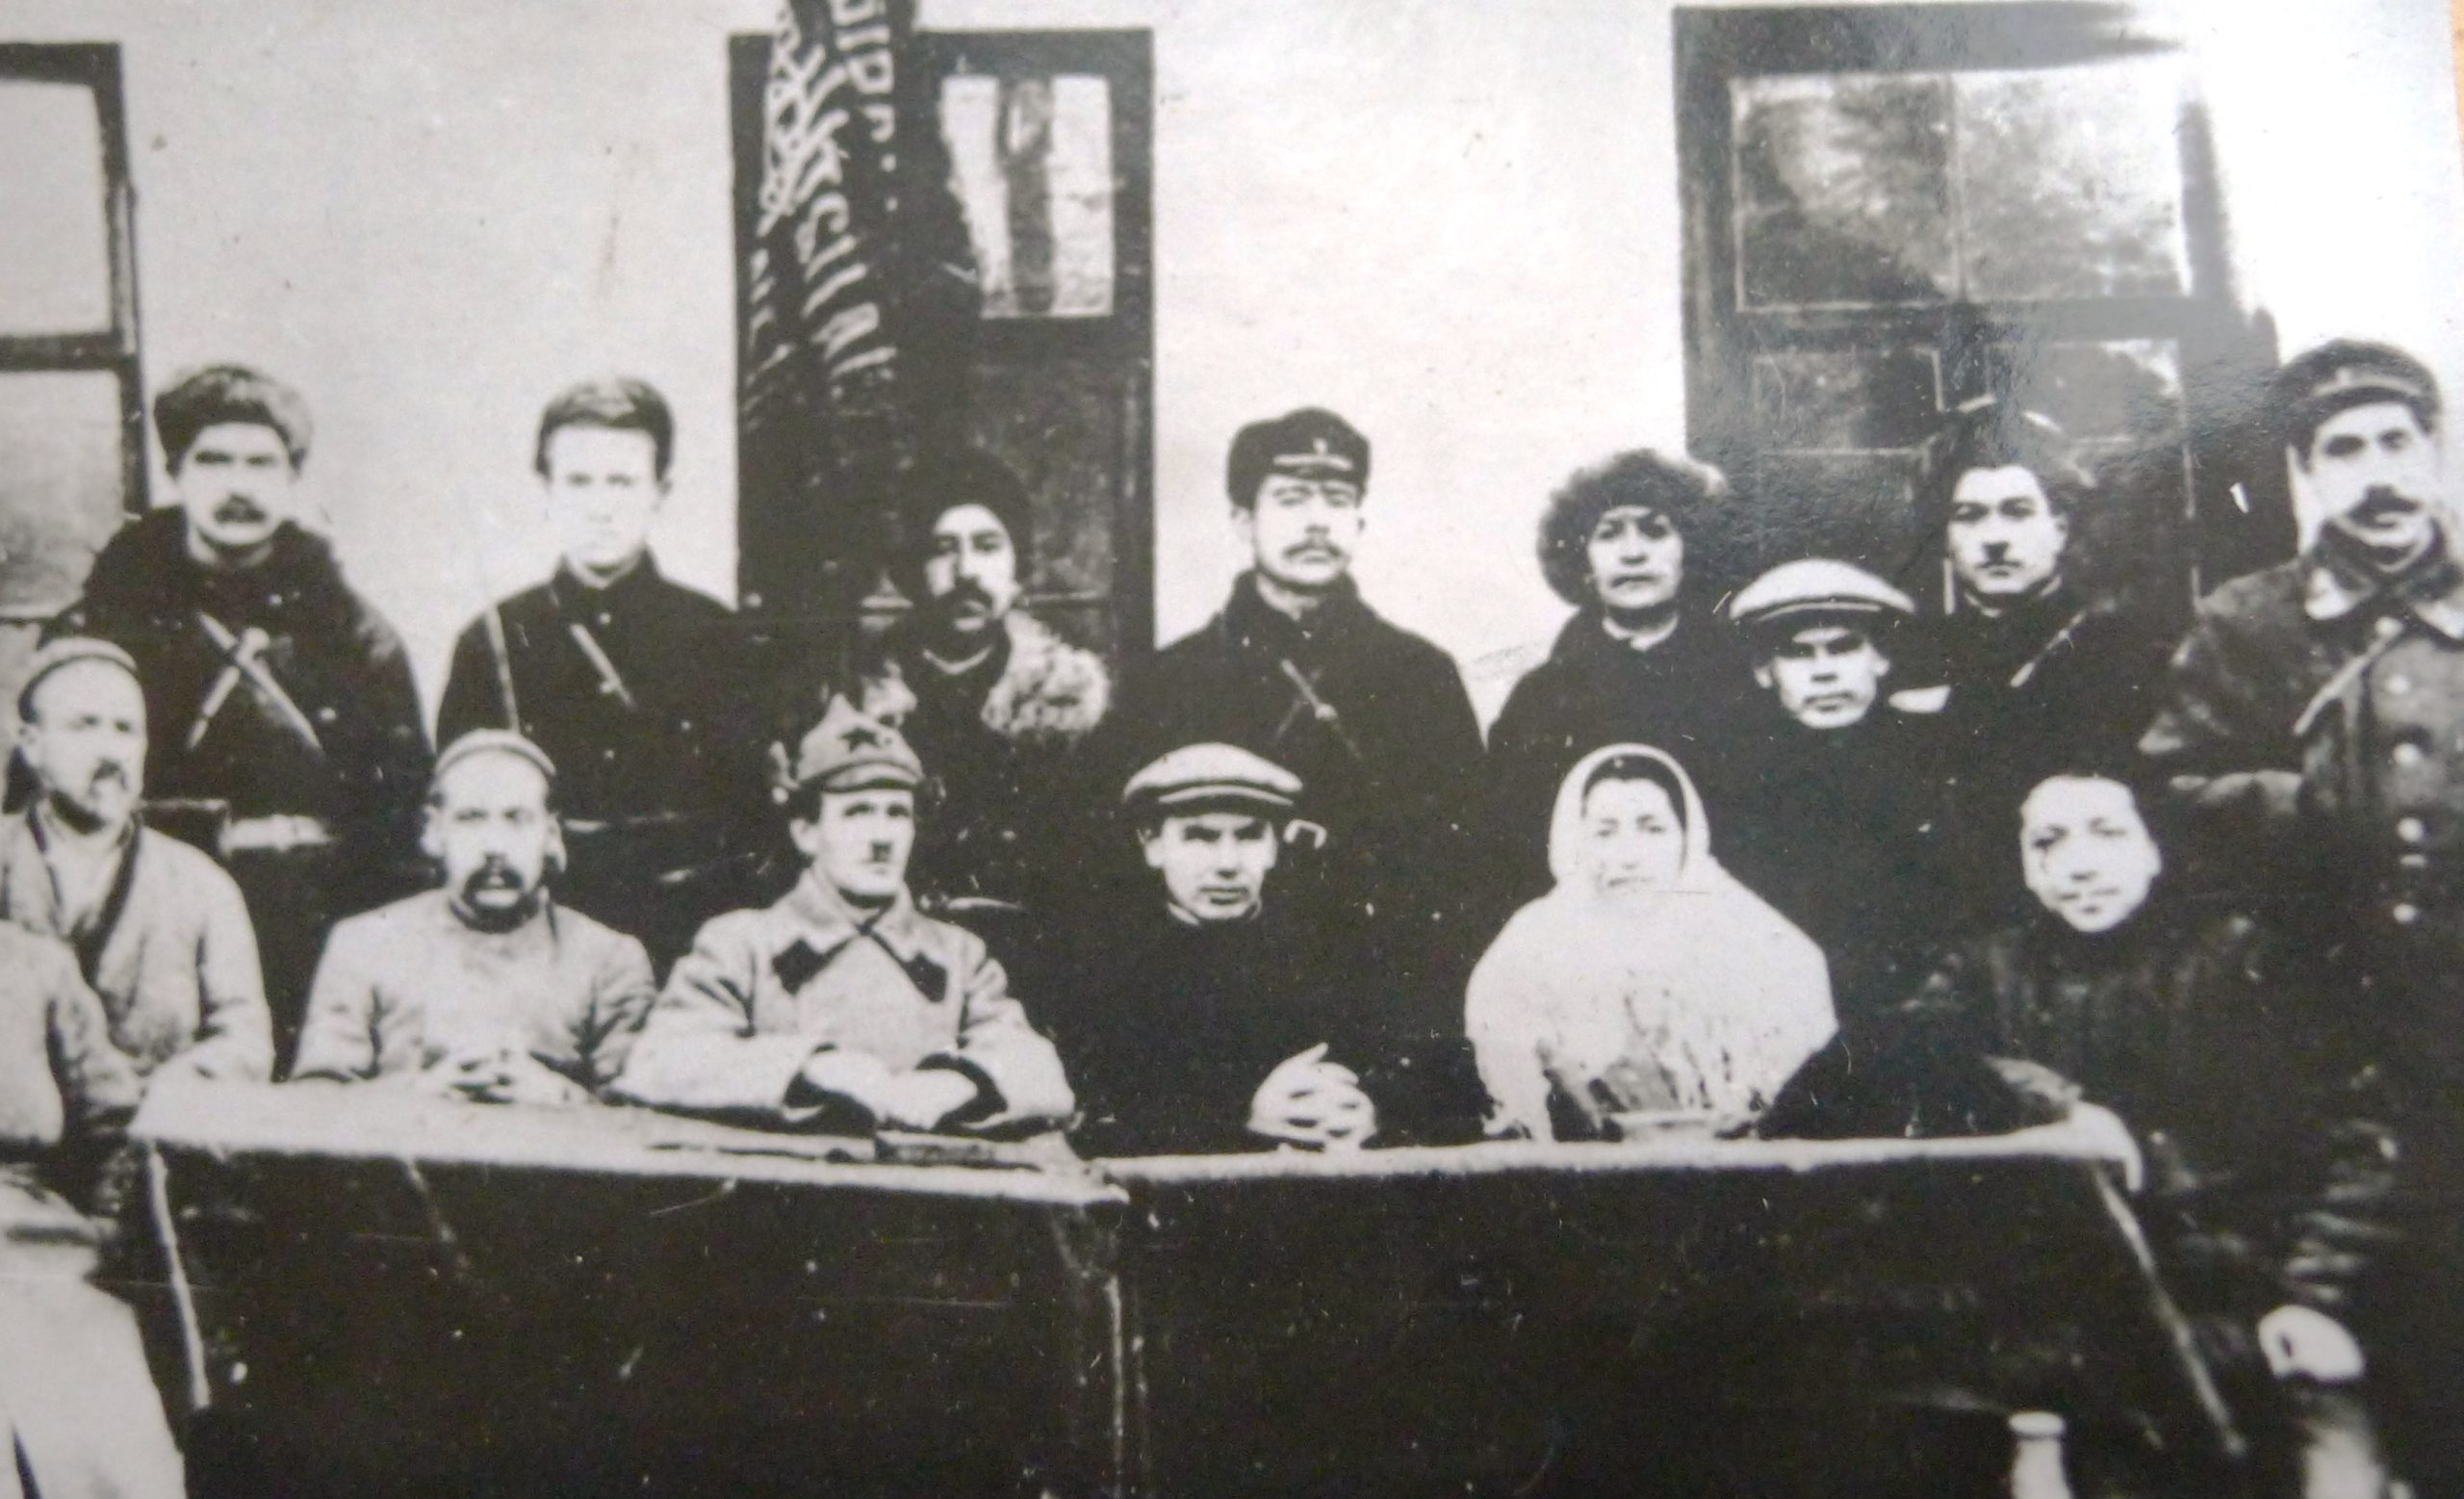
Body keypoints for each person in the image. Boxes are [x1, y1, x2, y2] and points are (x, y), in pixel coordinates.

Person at [2139, 338, 2464, 1496]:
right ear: (2307, 473)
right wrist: (2309, 809)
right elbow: (2170, 794)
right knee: (2324, 1360)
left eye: (2395, 443)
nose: (2376, 474)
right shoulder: (2249, 622)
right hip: (2320, 1039)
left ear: (2434, 454)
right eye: (2344, 450)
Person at [1893, 773, 2392, 1497]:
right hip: (2050, 1326)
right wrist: (2053, 1106)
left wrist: (2312, 1297)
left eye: (2108, 833)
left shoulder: (2247, 960)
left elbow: (2361, 1140)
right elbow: (1907, 1058)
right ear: (2028, 869)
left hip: (2236, 1309)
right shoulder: (1988, 970)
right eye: (2049, 843)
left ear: (2154, 850)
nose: (2080, 865)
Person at [57, 364, 431, 1065]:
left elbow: (402, 814)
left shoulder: (354, 636)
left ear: (292, 478)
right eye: (214, 461)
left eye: (262, 463)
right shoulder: (104, 622)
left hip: (313, 923)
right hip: (149, 921)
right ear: (176, 472)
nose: (239, 485)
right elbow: (45, 802)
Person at [1098, 408, 1483, 995]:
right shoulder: (1169, 680)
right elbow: (1118, 867)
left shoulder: (1421, 676)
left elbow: (1468, 866)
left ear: (1359, 521)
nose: (1317, 521)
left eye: (1337, 499)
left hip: (1383, 992)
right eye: (1291, 499)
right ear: (1243, 520)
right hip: (1211, 992)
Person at [612, 700, 1073, 1134]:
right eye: (857, 813)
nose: (881, 838)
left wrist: (963, 1082)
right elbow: (661, 1062)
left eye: (897, 814)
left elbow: (1040, 1073)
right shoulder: (741, 944)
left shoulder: (958, 957)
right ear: (807, 833)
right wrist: (811, 1068)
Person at [436, 377, 767, 970]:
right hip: (542, 937)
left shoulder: (717, 636)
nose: (600, 505)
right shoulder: (494, 641)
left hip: (689, 934)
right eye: (578, 481)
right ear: (546, 489)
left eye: (622, 482)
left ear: (661, 491)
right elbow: (457, 818)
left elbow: (752, 819)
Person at [1048, 742, 1481, 1156]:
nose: (1228, 864)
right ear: (1153, 844)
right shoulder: (1106, 969)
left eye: (1250, 836)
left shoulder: (1332, 949)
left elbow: (1447, 1076)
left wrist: (1373, 1108)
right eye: (1200, 837)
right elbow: (1093, 1121)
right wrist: (1244, 1118)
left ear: (1274, 846)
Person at [1465, 743, 1834, 1141]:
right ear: (1575, 840)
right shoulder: (1532, 940)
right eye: (1605, 832)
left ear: (1686, 838)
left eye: (1653, 828)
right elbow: (1509, 1066)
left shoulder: (1754, 935)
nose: (1629, 855)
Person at [289, 731, 654, 1101]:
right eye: (471, 819)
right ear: (434, 832)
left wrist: (556, 1098)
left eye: (517, 819)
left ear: (550, 835)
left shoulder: (609, 960)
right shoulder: (364, 944)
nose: (494, 846)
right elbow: (315, 1103)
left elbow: (639, 1115)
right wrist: (418, 1092)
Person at [1914, 399, 2172, 915]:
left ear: (2060, 526)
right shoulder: (1914, 660)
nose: (1994, 539)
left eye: (2018, 512)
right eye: (1969, 516)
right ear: (1944, 538)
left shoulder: (2129, 655)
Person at [1482, 450, 1757, 909]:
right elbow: (1511, 851)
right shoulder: (1541, 699)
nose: (1633, 552)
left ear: (1691, 548)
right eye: (1609, 534)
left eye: (1655, 531)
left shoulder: (1739, 682)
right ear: (1583, 559)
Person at [0, 638, 271, 1085]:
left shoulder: (203, 887)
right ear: (32, 744)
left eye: (125, 730)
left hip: (156, 1122)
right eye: (84, 726)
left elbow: (245, 1040)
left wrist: (173, 1091)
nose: (110, 751)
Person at [855, 447, 1109, 912]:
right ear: (911, 569)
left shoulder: (1068, 705)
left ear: (1018, 564)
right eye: (942, 550)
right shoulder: (855, 701)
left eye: (988, 546)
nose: (966, 572)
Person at [0, 922, 187, 1499]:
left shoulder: (36, 964)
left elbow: (110, 1116)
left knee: (83, 1347)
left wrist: (106, 1219)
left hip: (28, 1222)